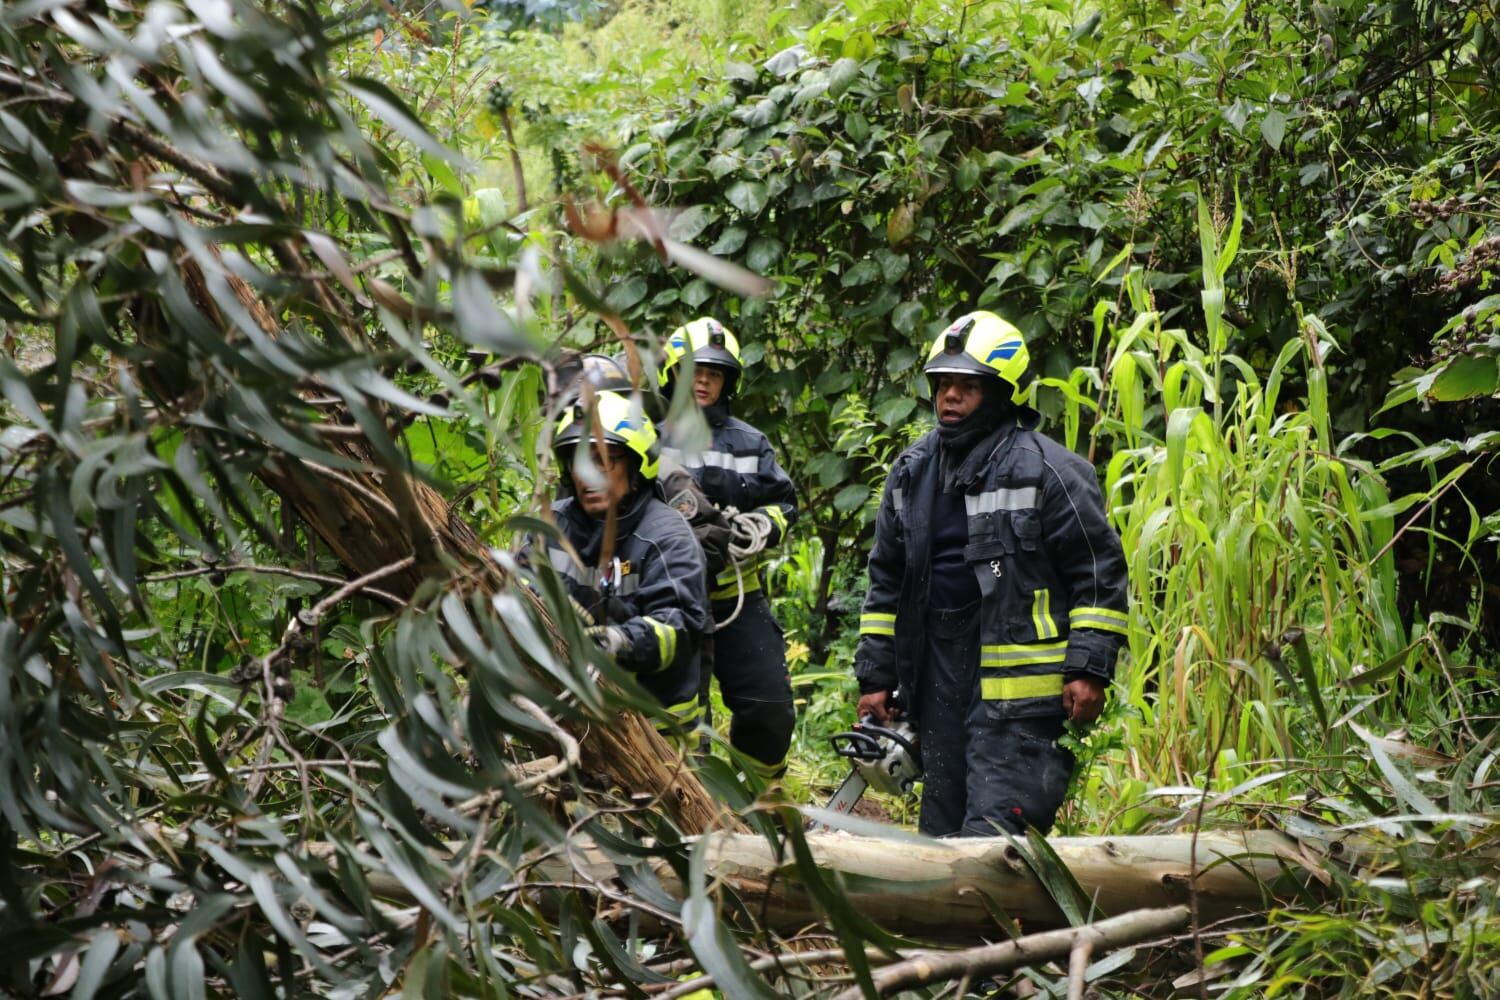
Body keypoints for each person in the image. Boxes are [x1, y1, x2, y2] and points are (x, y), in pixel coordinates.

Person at [852, 311, 1129, 837]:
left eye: (967, 386)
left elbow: (1098, 573)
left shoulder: (1051, 472)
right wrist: (876, 676)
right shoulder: (911, 473)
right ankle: (951, 922)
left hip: (1022, 697)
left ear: (1003, 392)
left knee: (996, 839)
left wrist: (1090, 669)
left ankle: (1007, 922)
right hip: (936, 683)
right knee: (940, 833)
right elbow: (886, 581)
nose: (950, 398)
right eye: (943, 385)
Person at [658, 317, 798, 776]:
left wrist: (761, 524)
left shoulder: (750, 443)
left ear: (727, 382)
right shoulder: (647, 439)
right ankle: (689, 806)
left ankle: (758, 809)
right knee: (680, 721)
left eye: (714, 373)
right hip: (671, 599)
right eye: (695, 370)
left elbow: (784, 504)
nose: (703, 381)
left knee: (770, 706)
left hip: (737, 593)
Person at [541, 389, 710, 732]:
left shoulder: (667, 536)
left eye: (603, 459)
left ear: (636, 462)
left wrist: (618, 642)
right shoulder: (550, 526)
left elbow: (681, 625)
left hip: (658, 732)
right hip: (569, 719)